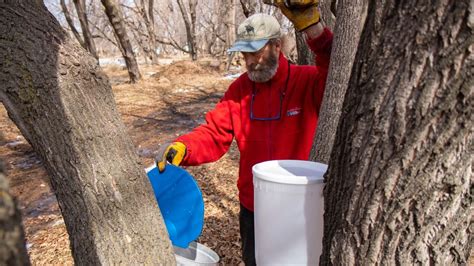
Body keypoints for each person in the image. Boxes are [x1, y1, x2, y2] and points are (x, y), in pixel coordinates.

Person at [156, 1, 333, 265]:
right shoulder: (240, 90)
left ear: (277, 46)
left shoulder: (305, 82)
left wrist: (315, 29)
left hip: (299, 207)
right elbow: (214, 133)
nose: (250, 62)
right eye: (244, 55)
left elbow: (338, 68)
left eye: (256, 52)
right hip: (254, 208)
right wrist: (185, 147)